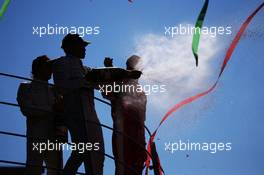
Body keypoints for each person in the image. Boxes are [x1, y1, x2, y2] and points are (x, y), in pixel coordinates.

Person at [52, 34, 104, 175]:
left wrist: (109, 70)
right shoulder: (60, 64)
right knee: (82, 151)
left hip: (91, 117)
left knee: (98, 154)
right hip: (75, 115)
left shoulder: (86, 68)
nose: (85, 48)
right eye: (82, 45)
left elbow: (101, 86)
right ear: (71, 47)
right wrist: (85, 81)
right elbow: (61, 87)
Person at [17, 55, 64, 175]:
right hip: (36, 136)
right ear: (38, 69)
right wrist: (52, 108)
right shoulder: (26, 86)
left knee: (56, 171)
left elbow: (61, 111)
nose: (50, 69)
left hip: (54, 136)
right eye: (47, 66)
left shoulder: (54, 89)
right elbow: (27, 109)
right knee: (34, 169)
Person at [102, 55, 147, 175]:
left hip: (139, 137)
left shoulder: (141, 92)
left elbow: (142, 120)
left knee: (137, 169)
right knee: (123, 168)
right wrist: (109, 70)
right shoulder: (120, 85)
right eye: (133, 67)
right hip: (123, 133)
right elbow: (107, 93)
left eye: (139, 68)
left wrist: (143, 143)